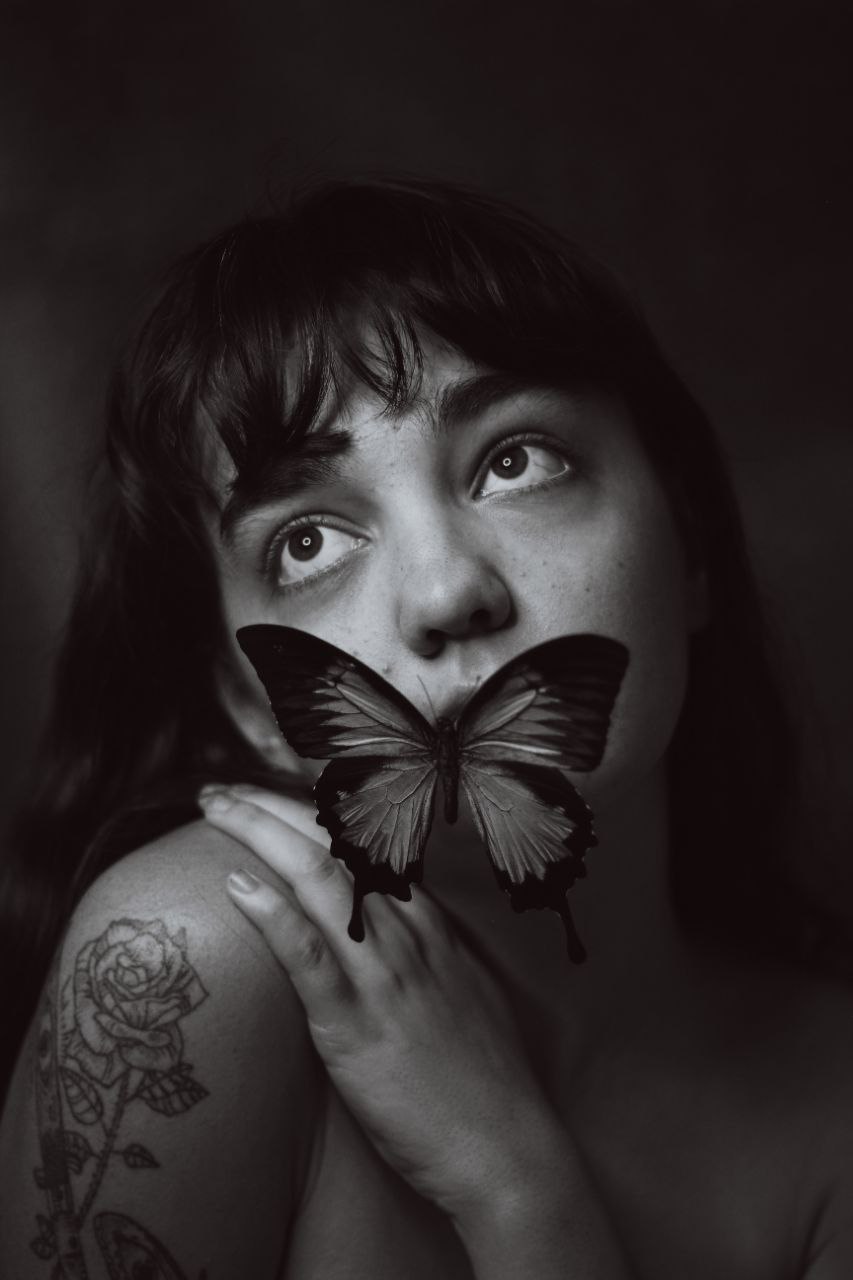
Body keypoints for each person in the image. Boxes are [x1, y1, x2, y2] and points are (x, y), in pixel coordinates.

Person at [1, 177, 851, 1279]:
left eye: (515, 460)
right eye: (307, 541)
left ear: (685, 540)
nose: (447, 589)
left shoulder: (831, 1104)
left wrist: (517, 1186)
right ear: (248, 698)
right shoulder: (188, 964)